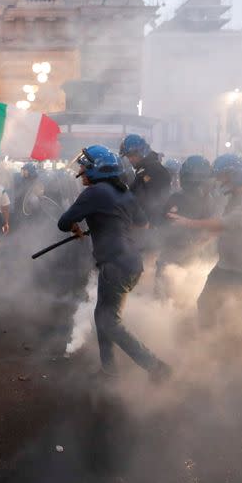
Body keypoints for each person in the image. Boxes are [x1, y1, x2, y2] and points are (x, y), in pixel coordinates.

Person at [58, 145, 171, 381]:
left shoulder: (95, 193)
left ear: (96, 169)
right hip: (129, 262)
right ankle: (109, 370)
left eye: (84, 165)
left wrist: (78, 228)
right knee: (103, 317)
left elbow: (64, 222)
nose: (81, 169)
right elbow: (143, 224)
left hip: (116, 265)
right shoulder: (124, 193)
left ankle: (156, 367)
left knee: (109, 322)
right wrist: (112, 224)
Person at [169, 154, 242, 335]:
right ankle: (212, 348)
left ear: (235, 175)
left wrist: (188, 222)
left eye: (222, 176)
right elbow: (222, 227)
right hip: (227, 267)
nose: (219, 181)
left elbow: (227, 223)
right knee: (206, 304)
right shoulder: (235, 197)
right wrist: (200, 242)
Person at [155, 155, 218, 295]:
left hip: (182, 252)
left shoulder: (180, 198)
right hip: (189, 252)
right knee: (179, 293)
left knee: (168, 293)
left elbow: (164, 225)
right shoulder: (208, 199)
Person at [119, 134, 171, 227]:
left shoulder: (154, 170)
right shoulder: (144, 170)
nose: (130, 159)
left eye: (132, 155)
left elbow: (153, 204)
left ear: (142, 152)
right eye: (128, 156)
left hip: (152, 229)